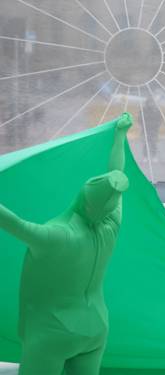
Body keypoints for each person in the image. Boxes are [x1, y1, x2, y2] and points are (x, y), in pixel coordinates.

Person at [0, 113, 133, 375]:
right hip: (96, 327)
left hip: (53, 331)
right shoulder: (111, 225)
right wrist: (119, 136)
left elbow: (12, 222)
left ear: (83, 196)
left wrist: (119, 136)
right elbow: (117, 173)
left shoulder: (57, 237)